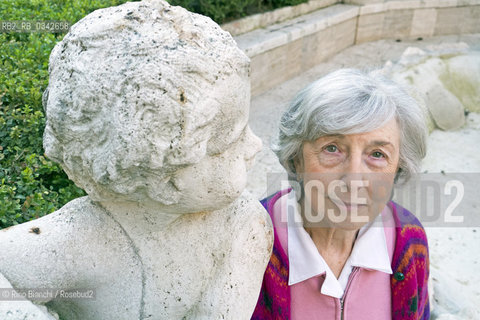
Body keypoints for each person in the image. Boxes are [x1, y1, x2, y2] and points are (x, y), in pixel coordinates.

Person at [252, 69, 430, 320]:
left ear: (398, 168)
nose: (353, 180)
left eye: (377, 154)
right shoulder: (248, 239)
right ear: (296, 158)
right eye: (332, 148)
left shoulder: (411, 240)